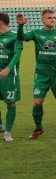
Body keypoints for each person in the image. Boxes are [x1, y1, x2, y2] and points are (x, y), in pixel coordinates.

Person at [17, 10, 56, 139]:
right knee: (37, 102)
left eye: (53, 18)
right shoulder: (37, 33)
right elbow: (21, 38)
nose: (52, 20)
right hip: (41, 74)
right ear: (42, 20)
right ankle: (38, 128)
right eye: (49, 18)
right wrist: (20, 26)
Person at [0, 13, 22, 142]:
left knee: (10, 103)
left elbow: (17, 54)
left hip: (9, 75)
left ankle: (7, 132)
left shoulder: (15, 36)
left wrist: (8, 68)